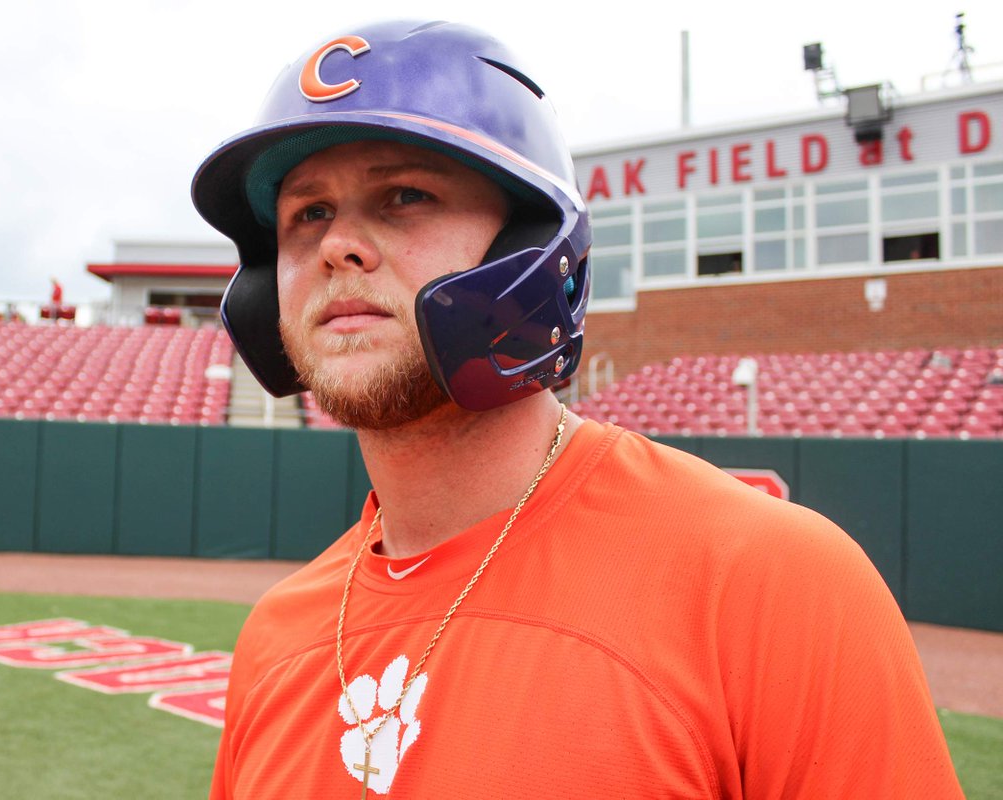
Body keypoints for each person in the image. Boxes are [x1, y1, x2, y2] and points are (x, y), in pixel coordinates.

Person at [191, 20, 963, 798]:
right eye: (307, 214)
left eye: (405, 195)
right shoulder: (275, 638)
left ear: (529, 246)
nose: (337, 246)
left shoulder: (773, 584)